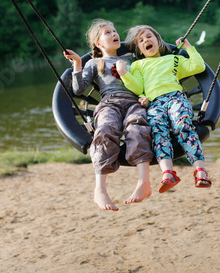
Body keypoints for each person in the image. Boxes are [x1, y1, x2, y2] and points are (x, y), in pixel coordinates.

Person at [63, 19, 154, 211]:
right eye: (107, 33)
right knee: (104, 130)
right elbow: (78, 89)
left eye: (114, 31)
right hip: (109, 103)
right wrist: (78, 64)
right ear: (98, 44)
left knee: (138, 127)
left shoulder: (132, 58)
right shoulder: (96, 63)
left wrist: (146, 97)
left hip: (134, 102)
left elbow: (149, 74)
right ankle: (100, 189)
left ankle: (143, 183)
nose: (114, 34)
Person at [116, 25, 212, 193]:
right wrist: (124, 74)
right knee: (158, 132)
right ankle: (167, 173)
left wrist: (189, 48)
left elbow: (198, 66)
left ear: (158, 41)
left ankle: (200, 171)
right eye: (141, 40)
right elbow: (138, 88)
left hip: (176, 98)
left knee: (183, 125)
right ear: (139, 49)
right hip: (154, 103)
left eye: (149, 36)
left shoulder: (174, 59)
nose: (146, 40)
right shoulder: (139, 65)